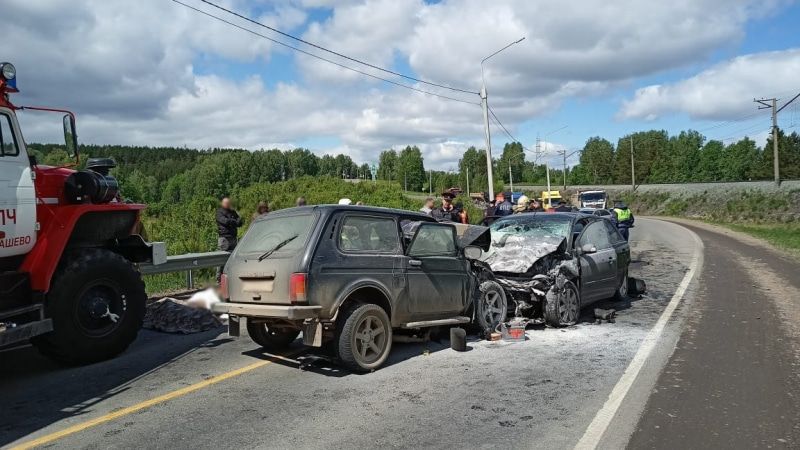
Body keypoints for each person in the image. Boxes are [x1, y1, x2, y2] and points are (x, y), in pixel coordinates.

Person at [216, 197, 243, 282]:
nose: (228, 204)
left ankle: (231, 277)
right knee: (221, 260)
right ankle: (218, 278)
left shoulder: (232, 212)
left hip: (233, 238)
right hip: (224, 239)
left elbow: (240, 221)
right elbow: (224, 221)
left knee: (233, 259)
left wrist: (233, 221)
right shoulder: (219, 212)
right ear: (223, 203)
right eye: (226, 203)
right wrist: (233, 221)